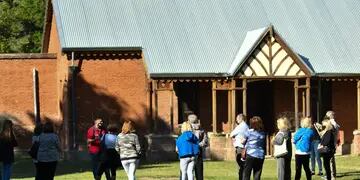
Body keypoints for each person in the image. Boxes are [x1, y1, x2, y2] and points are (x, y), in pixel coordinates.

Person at [188, 114, 208, 180]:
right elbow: (205, 140)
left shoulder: (187, 129)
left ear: (189, 121)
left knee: (188, 169)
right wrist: (199, 145)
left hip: (189, 150)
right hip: (198, 150)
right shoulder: (202, 129)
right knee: (199, 169)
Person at [230, 114, 249, 180]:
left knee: (240, 166)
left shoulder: (240, 126)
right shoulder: (247, 126)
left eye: (237, 119)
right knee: (244, 165)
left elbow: (231, 134)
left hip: (240, 148)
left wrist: (233, 137)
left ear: (240, 119)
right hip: (245, 148)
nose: (236, 120)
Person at [325, 111, 339, 180]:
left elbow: (330, 133)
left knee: (330, 160)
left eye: (327, 115)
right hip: (333, 143)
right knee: (331, 159)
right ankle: (331, 174)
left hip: (331, 143)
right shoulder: (334, 123)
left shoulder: (331, 123)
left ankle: (332, 175)